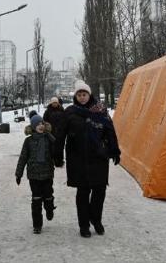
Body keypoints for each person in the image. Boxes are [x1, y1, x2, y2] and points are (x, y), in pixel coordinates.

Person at [54, 80, 120, 238]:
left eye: (85, 94)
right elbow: (60, 135)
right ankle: (84, 225)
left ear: (89, 95)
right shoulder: (70, 112)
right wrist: (57, 155)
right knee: (83, 192)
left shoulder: (100, 110)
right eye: (79, 94)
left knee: (100, 190)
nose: (82, 97)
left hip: (98, 156)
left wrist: (114, 150)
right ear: (76, 96)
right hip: (78, 158)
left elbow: (110, 131)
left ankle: (96, 219)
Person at [15, 114, 57, 234]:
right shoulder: (28, 141)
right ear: (33, 126)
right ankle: (37, 225)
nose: (40, 126)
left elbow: (56, 153)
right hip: (34, 175)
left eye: (42, 123)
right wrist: (19, 173)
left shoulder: (49, 138)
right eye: (37, 124)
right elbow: (23, 157)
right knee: (36, 199)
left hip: (47, 174)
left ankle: (49, 209)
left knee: (48, 196)